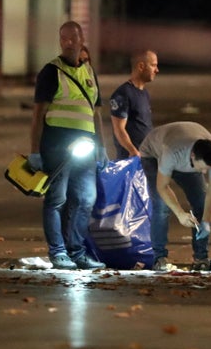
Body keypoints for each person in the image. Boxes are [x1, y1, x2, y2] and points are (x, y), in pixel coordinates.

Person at [29, 21, 108, 270]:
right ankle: (58, 252)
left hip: (86, 147)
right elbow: (38, 114)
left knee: (86, 198)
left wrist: (102, 147)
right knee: (57, 199)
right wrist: (34, 151)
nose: (70, 42)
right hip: (57, 147)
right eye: (65, 38)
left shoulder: (89, 73)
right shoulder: (50, 72)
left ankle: (77, 251)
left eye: (74, 37)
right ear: (60, 41)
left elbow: (96, 115)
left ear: (82, 38)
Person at [138, 121, 211, 272]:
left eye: (208, 169)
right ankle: (159, 258)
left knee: (201, 202)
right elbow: (162, 186)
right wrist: (180, 214)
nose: (204, 173)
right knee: (162, 206)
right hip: (153, 153)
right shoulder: (172, 152)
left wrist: (206, 221)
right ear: (193, 156)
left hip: (185, 156)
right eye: (202, 168)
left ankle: (201, 258)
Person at [109, 50, 159, 159]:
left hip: (146, 156)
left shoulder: (144, 93)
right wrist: (132, 151)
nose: (157, 70)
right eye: (153, 65)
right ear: (141, 66)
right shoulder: (122, 94)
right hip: (131, 159)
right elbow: (119, 128)